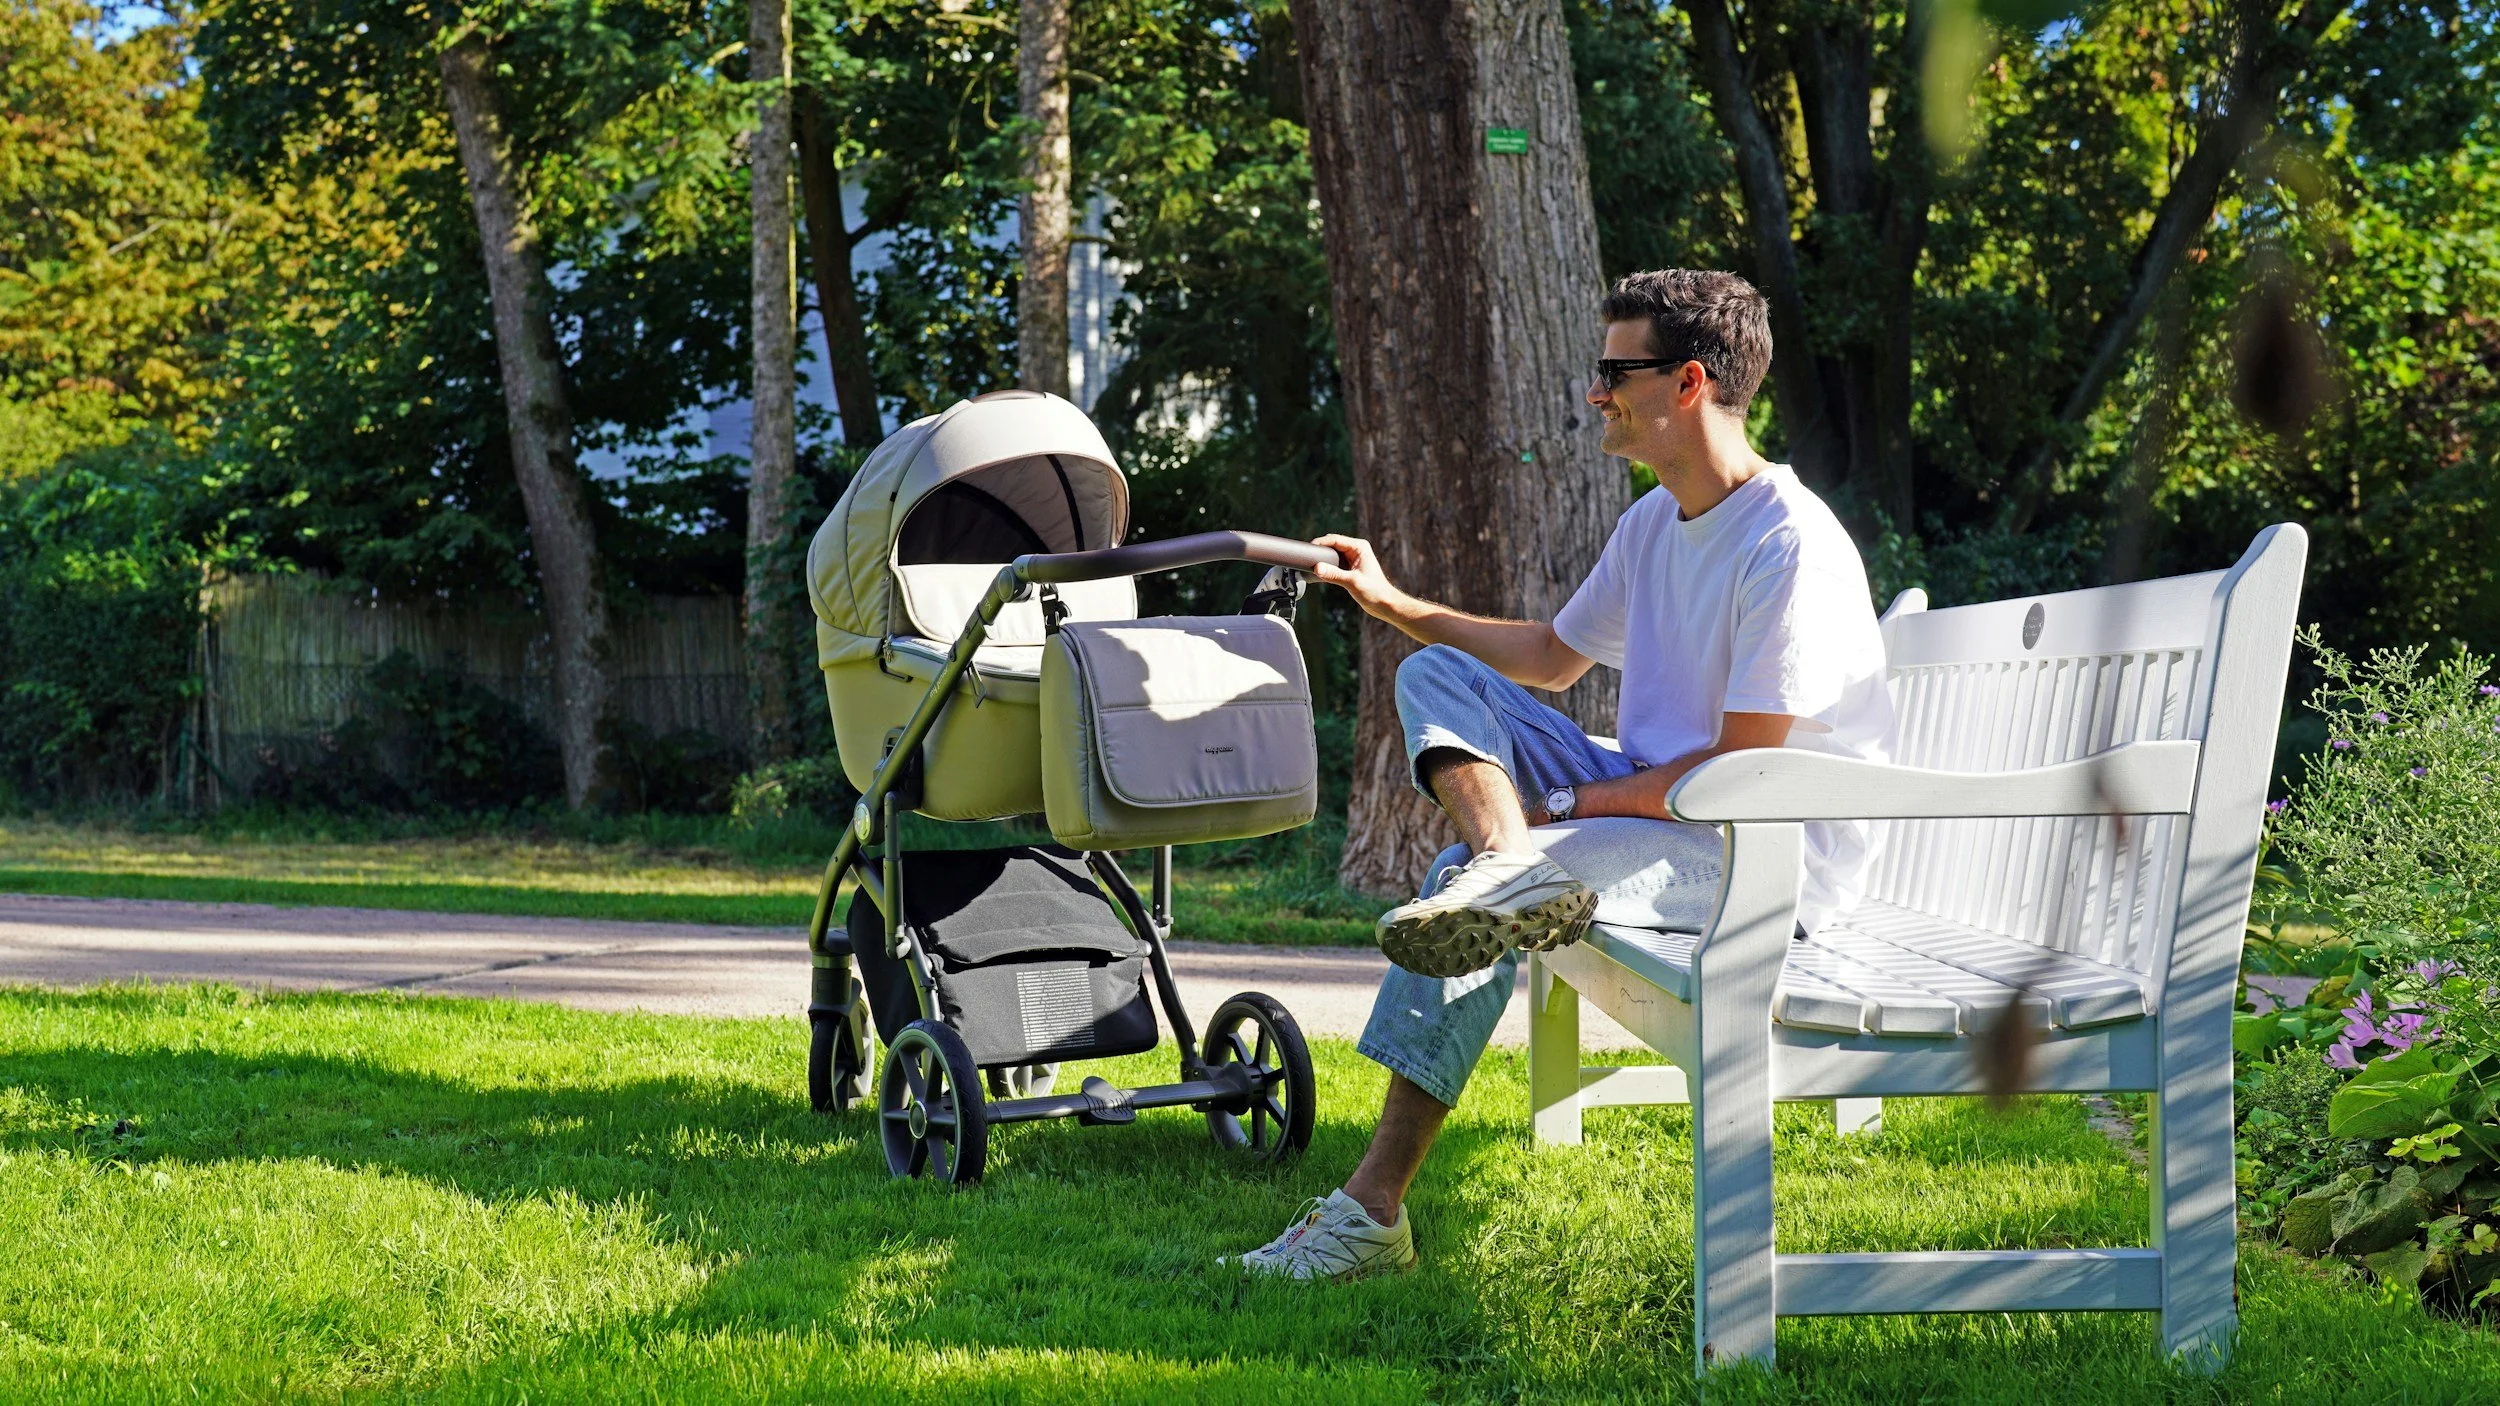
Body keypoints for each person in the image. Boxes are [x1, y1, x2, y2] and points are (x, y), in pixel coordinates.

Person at [1224, 269, 1894, 1282]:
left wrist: (1575, 804)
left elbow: (1746, 770)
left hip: (1761, 850)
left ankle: (1370, 1214)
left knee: (1468, 891)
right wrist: (1390, 599)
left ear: (1688, 383)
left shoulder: (1785, 543)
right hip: (1669, 807)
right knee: (1440, 675)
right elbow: (1546, 657)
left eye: (1614, 370)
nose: (1595, 392)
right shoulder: (1652, 525)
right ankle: (1508, 862)